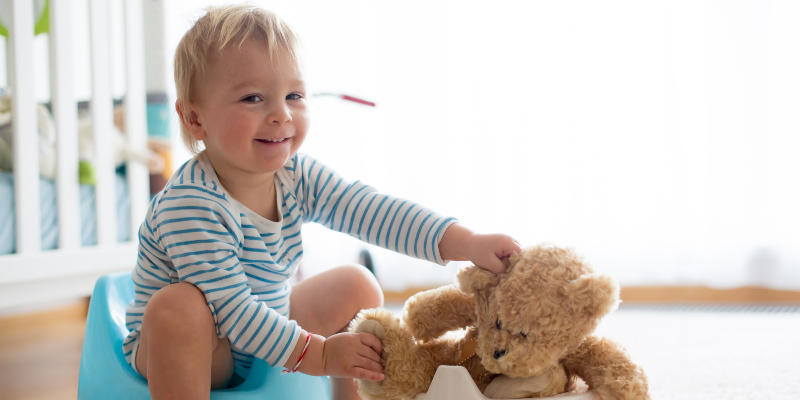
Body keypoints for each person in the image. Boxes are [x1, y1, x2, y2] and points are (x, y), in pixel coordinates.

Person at [123, 5, 522, 400]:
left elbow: (371, 210)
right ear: (195, 120)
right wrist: (320, 354)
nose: (281, 114)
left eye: (294, 95)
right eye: (252, 98)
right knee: (180, 308)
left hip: (267, 327)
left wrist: (464, 242)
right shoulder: (191, 204)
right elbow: (232, 310)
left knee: (357, 284)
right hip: (205, 349)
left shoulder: (296, 175)